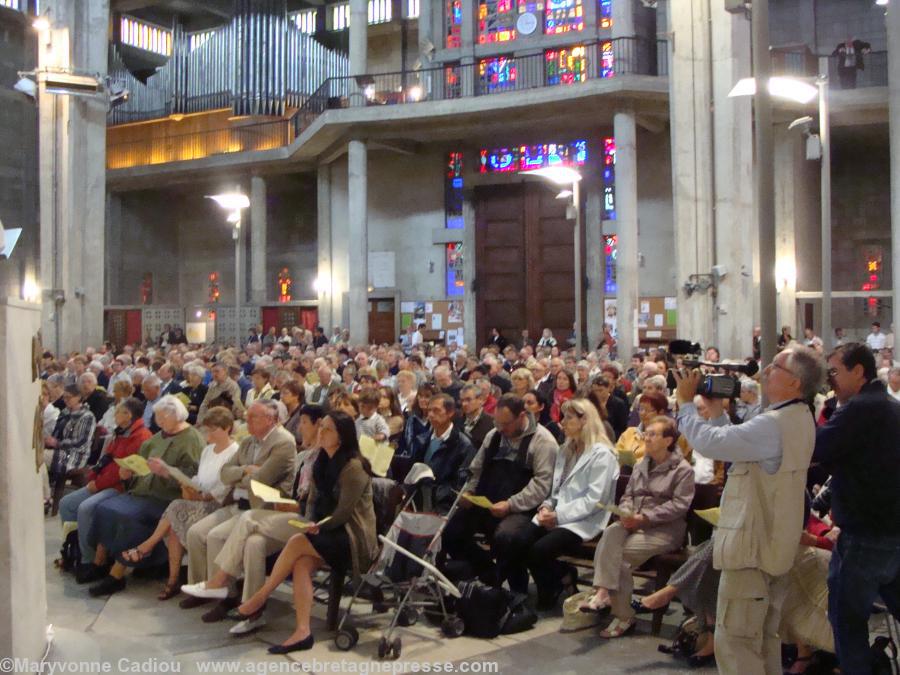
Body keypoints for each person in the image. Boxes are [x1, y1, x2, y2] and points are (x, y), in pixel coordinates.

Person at [673, 345, 825, 675]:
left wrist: (685, 403)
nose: (766, 371)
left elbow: (712, 444)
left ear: (795, 383)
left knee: (737, 642)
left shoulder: (775, 423)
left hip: (751, 550)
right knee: (763, 639)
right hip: (773, 545)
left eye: (776, 367)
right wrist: (717, 413)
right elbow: (739, 443)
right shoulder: (797, 418)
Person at [228, 411, 377, 653]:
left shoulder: (354, 467)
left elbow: (343, 513)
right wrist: (310, 521)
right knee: (301, 565)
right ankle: (302, 632)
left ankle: (260, 597)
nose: (321, 432)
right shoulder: (322, 461)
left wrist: (316, 527)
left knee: (298, 540)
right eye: (322, 427)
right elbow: (314, 503)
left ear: (342, 436)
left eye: (328, 429)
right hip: (327, 532)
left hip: (351, 537)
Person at [813, 343, 900, 674]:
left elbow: (817, 448)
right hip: (892, 530)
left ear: (859, 371)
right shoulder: (890, 407)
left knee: (847, 625)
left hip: (865, 535)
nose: (830, 378)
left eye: (834, 371)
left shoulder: (860, 409)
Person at [180, 400, 297, 620]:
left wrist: (242, 476)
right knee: (196, 532)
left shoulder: (283, 442)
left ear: (270, 420)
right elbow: (225, 473)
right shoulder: (248, 442)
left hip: (264, 508)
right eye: (247, 416)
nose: (247, 421)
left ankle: (227, 594)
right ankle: (212, 589)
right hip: (238, 504)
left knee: (217, 536)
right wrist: (245, 470)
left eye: (253, 417)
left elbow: (261, 480)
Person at [579, 416, 694, 637]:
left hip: (664, 529)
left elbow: (680, 506)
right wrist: (626, 512)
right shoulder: (642, 463)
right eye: (645, 434)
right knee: (611, 531)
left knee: (618, 560)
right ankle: (604, 592)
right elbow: (629, 494)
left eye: (652, 434)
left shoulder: (682, 470)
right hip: (634, 521)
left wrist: (645, 517)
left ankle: (622, 615)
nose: (646, 438)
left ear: (668, 440)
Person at [85, 396, 205, 596]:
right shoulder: (158, 437)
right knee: (105, 508)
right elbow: (140, 463)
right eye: (157, 418)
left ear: (175, 416)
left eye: (161, 418)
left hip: (166, 496)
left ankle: (116, 575)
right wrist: (128, 473)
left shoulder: (192, 439)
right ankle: (99, 563)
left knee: (129, 517)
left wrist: (166, 471)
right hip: (142, 490)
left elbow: (193, 478)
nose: (158, 422)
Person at [118, 407, 239, 600]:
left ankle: (147, 548)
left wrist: (203, 495)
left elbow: (226, 487)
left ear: (227, 429)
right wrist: (189, 484)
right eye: (207, 430)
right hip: (200, 499)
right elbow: (200, 478)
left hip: (219, 504)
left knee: (175, 507)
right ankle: (175, 581)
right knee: (174, 521)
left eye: (213, 430)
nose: (208, 434)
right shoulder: (208, 450)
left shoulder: (234, 452)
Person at [442, 394, 558, 594]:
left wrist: (511, 504)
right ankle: (487, 571)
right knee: (452, 532)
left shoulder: (543, 441)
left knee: (507, 537)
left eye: (506, 423)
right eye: (497, 422)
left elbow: (542, 485)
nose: (501, 428)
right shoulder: (494, 435)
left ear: (522, 416)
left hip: (524, 508)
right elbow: (476, 469)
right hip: (489, 502)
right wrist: (469, 491)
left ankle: (516, 593)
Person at [524, 399, 618, 610]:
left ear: (584, 420)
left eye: (568, 417)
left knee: (539, 550)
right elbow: (556, 488)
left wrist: (558, 516)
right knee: (520, 540)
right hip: (557, 513)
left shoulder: (603, 455)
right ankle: (560, 578)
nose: (562, 422)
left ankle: (555, 583)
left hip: (585, 519)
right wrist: (546, 507)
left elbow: (594, 501)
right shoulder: (566, 449)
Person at [58, 398, 150, 579]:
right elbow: (106, 458)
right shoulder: (121, 431)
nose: (115, 415)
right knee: (66, 503)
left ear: (128, 415)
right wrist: (93, 477)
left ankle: (88, 559)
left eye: (118, 412)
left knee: (85, 508)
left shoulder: (141, 436)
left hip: (120, 487)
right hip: (103, 481)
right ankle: (74, 548)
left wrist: (97, 484)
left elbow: (120, 470)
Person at [44, 384, 97, 483]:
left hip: (73, 456)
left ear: (79, 397)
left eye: (69, 397)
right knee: (36, 456)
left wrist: (57, 443)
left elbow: (81, 442)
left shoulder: (87, 416)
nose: (65, 400)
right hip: (59, 450)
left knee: (37, 458)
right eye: (64, 397)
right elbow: (57, 432)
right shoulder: (65, 412)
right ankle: (44, 492)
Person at [459, 382, 494, 451]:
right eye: (462, 400)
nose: (464, 404)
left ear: (481, 400)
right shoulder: (457, 421)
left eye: (468, 400)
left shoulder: (492, 423)